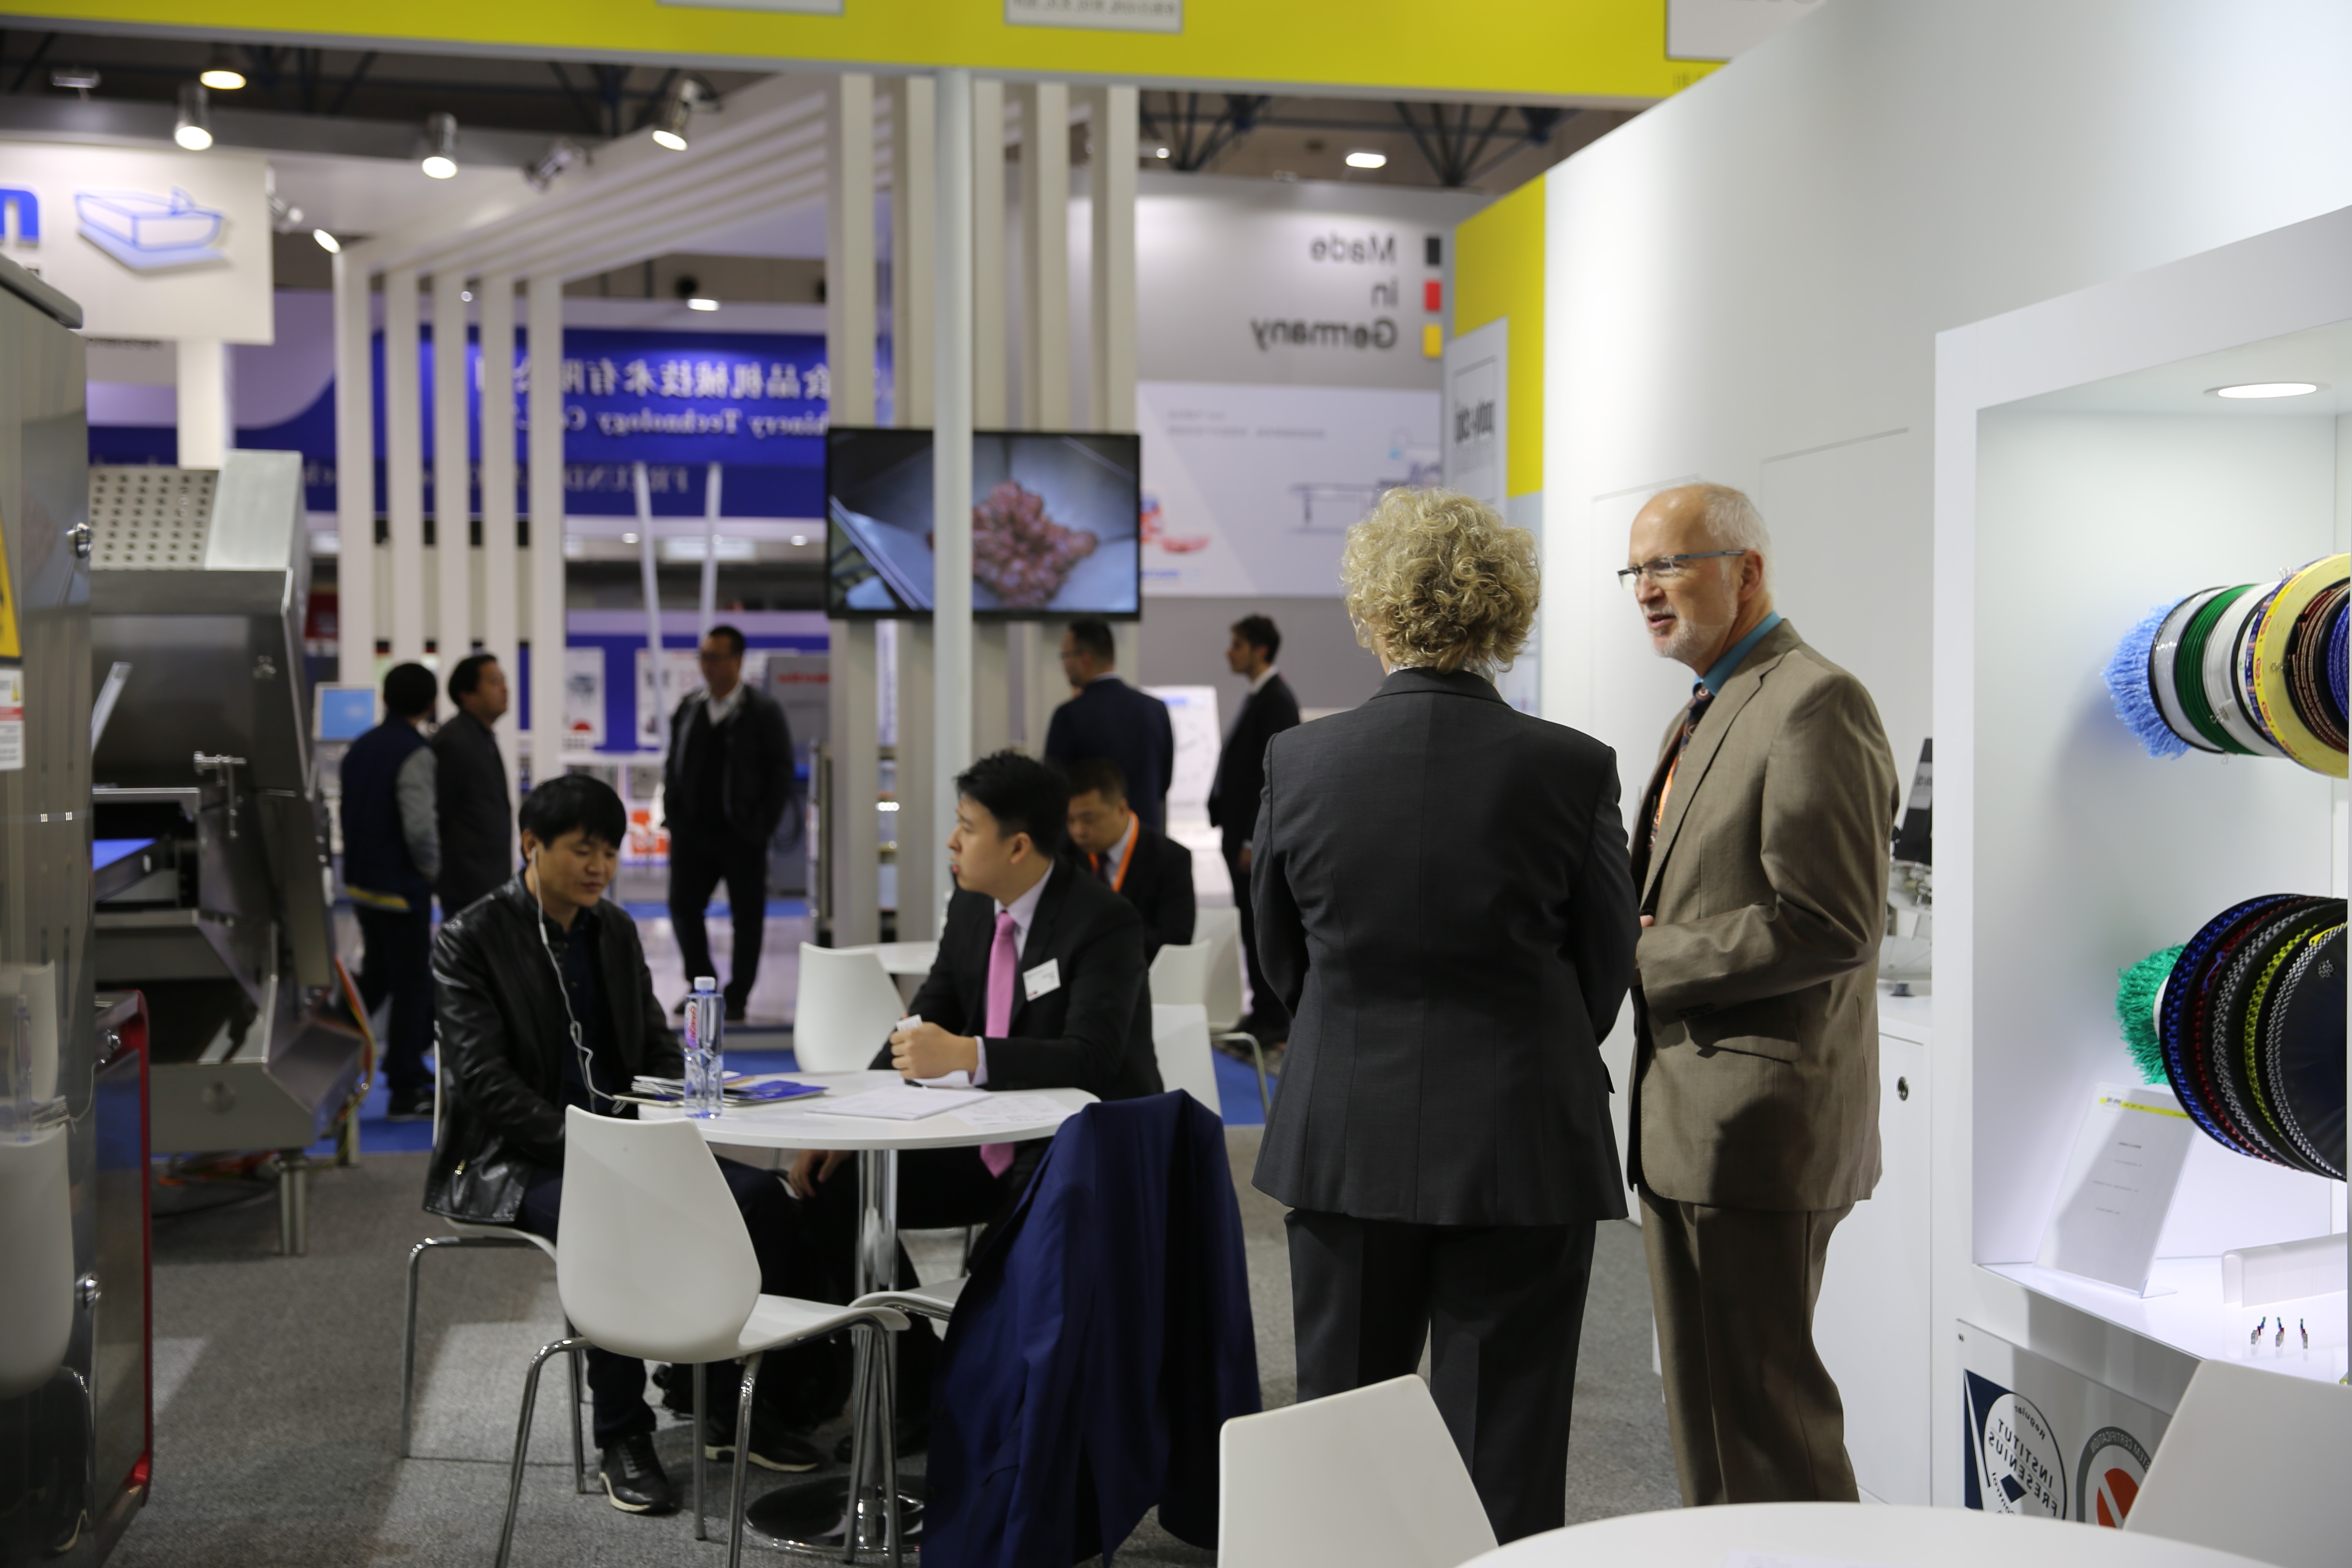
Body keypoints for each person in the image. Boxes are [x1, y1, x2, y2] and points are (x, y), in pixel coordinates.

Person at [1250, 489, 1638, 1544]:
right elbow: (1604, 970)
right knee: (1505, 1459)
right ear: (1504, 615)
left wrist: (1351, 1034)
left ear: (1374, 611)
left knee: (1344, 1449)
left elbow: (1280, 960)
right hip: (1524, 1139)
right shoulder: (1574, 767)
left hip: (1343, 1137)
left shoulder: (1299, 761)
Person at [426, 775, 832, 1513]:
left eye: (610, 852)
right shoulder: (470, 939)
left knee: (762, 1202)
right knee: (609, 1219)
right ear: (531, 845)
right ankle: (621, 1431)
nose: (600, 867)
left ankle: (723, 1398)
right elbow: (484, 1083)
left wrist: (680, 1110)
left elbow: (653, 1042)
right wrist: (590, 1145)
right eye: (584, 850)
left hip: (637, 1142)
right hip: (518, 1158)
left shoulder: (613, 930)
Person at [1621, 483, 1897, 1508]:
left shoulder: (1814, 700)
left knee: (1769, 1428)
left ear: (1748, 571)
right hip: (1692, 1124)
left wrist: (1645, 955)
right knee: (1711, 1418)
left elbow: (1831, 922)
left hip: (1756, 1129)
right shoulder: (1706, 705)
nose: (1646, 590)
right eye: (1635, 570)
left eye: (1669, 564)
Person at [788, 751, 1159, 1435]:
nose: (952, 843)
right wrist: (848, 1127)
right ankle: (918, 1387)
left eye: (966, 827)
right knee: (836, 1185)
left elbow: (1094, 1059)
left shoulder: (1103, 921)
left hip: (1075, 1152)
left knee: (1000, 1263)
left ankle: (999, 1418)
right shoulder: (970, 906)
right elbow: (922, 1020)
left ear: (1018, 846)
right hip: (983, 1142)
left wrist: (971, 1054)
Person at [663, 624, 795, 1022]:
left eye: (716, 658)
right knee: (683, 908)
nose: (708, 666)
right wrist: (674, 815)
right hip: (692, 833)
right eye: (703, 657)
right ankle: (700, 984)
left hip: (743, 835)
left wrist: (762, 824)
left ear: (738, 661)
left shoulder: (763, 711)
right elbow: (673, 764)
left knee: (747, 917)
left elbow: (781, 772)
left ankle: (738, 996)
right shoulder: (689, 708)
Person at [342, 662, 441, 1123]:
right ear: (430, 703)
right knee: (411, 984)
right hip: (401, 889)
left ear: (385, 697)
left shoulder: (361, 747)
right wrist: (433, 870)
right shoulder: (415, 752)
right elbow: (420, 826)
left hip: (364, 885)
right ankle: (404, 1085)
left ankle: (329, 1047)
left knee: (378, 978)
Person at [1206, 614, 1301, 1044]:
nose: (1229, 652)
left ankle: (1273, 1018)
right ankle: (1262, 1011)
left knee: (1262, 925)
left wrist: (1250, 838)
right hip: (1241, 834)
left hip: (1253, 837)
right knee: (1250, 923)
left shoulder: (1275, 700)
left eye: (1238, 645)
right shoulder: (1259, 697)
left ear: (1260, 650)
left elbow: (1274, 777)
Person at [1043, 617, 1176, 833]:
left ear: (1085, 660)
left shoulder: (1069, 716)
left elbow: (1053, 792)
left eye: (1065, 656)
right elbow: (1164, 783)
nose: (1064, 665)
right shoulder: (1156, 709)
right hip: (1146, 837)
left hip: (1091, 843)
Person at [1064, 757, 1195, 960]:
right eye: (1070, 820)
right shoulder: (1064, 854)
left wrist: (1104, 945)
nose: (1078, 831)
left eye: (1089, 820)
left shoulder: (1170, 859)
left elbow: (1176, 939)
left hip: (1147, 971)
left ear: (1121, 809)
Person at [432, 651, 513, 919]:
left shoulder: (480, 737)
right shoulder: (454, 742)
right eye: (494, 682)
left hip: (487, 879)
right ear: (467, 694)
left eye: (504, 681)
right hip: (466, 883)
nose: (505, 689)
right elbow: (438, 811)